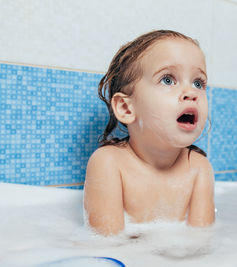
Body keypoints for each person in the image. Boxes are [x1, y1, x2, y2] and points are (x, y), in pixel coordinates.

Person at [84, 30, 215, 236]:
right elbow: (106, 245)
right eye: (168, 80)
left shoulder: (198, 167)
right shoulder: (109, 163)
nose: (191, 93)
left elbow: (203, 241)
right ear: (126, 109)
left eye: (198, 83)